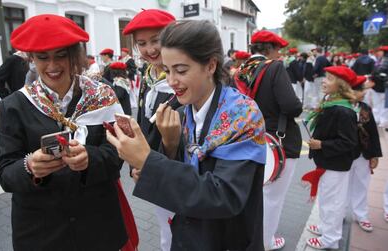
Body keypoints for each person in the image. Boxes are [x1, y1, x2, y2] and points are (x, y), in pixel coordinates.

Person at [108, 19, 266, 251]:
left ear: (211, 65)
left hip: (228, 239)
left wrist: (148, 161)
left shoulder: (243, 115)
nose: (172, 81)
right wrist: (169, 145)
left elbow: (224, 196)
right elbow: (180, 177)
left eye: (181, 70)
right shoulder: (182, 112)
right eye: (167, 70)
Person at [0, 14, 129, 250]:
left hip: (98, 226)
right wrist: (30, 167)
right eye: (42, 57)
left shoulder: (103, 96)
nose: (53, 66)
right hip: (41, 231)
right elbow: (6, 173)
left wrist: (90, 158)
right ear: (31, 59)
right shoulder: (14, 105)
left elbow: (118, 154)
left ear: (74, 55)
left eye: (61, 55)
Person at [234, 30, 303, 250]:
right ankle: (264, 242)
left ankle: (249, 238)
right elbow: (291, 107)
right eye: (277, 49)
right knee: (272, 198)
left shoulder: (239, 71)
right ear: (270, 49)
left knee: (255, 195)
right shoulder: (274, 67)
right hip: (277, 142)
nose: (279, 53)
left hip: (248, 140)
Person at [122, 9, 176, 251]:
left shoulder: (180, 78)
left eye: (156, 40)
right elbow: (144, 126)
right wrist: (136, 164)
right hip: (150, 165)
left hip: (176, 167)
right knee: (166, 225)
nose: (149, 49)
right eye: (142, 43)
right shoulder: (149, 74)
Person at [303, 66, 358, 249]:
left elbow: (348, 142)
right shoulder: (331, 102)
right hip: (329, 161)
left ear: (341, 86)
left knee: (333, 202)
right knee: (326, 199)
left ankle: (330, 240)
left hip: (336, 163)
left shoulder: (343, 111)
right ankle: (325, 228)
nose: (324, 81)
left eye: (330, 79)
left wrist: (322, 145)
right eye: (325, 77)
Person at [347, 75, 382, 232]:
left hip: (363, 154)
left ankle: (361, 214)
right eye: (361, 90)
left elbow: (373, 132)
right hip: (345, 154)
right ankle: (338, 213)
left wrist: (374, 154)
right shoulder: (341, 107)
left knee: (362, 183)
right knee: (342, 185)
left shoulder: (366, 108)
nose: (364, 93)